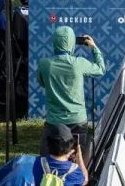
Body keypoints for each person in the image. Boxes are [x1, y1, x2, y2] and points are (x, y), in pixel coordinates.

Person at [37, 26, 106, 159]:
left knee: (47, 160)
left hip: (54, 121)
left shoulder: (44, 64)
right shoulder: (78, 63)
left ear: (54, 42)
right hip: (77, 121)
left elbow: (42, 83)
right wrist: (93, 47)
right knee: (77, 160)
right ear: (72, 43)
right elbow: (100, 69)